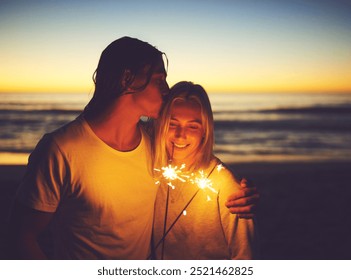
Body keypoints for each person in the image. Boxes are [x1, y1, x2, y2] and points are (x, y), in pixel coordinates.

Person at [9, 36, 258, 259]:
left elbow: (193, 153)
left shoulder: (154, 143)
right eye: (159, 79)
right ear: (128, 79)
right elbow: (20, 237)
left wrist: (237, 190)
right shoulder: (61, 149)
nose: (166, 90)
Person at [152, 81, 257, 259]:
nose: (179, 135)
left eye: (192, 126)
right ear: (161, 124)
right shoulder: (154, 169)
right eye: (172, 124)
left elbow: (246, 257)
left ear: (205, 131)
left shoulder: (225, 185)